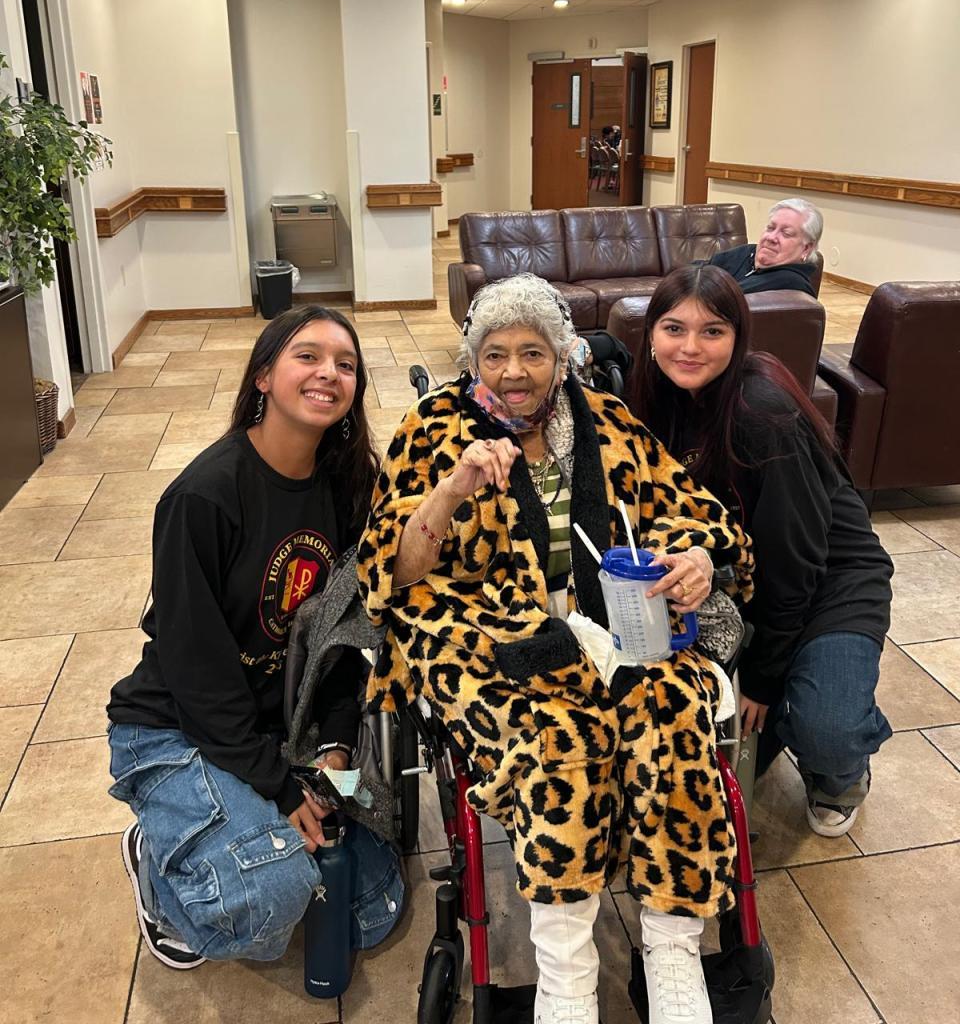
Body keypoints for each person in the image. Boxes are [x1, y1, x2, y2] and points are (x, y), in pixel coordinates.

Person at [358, 273, 753, 1024]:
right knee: (561, 731)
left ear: (563, 356)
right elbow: (394, 569)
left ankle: (672, 950)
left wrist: (696, 557)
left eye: (532, 352)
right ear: (474, 360)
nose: (513, 371)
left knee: (672, 706)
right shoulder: (432, 426)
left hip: (610, 625)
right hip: (482, 635)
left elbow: (694, 510)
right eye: (495, 354)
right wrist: (453, 488)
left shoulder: (606, 420)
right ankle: (567, 975)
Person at [107, 306, 379, 969]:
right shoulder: (203, 497)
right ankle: (156, 866)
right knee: (270, 891)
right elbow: (196, 670)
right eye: (307, 356)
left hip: (279, 724)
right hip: (175, 727)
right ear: (263, 376)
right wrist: (279, 787)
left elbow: (341, 636)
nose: (329, 373)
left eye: (345, 365)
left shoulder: (347, 489)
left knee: (373, 895)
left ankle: (238, 826)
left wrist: (337, 742)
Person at [631, 264, 893, 839]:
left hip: (829, 582)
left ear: (738, 337)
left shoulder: (761, 410)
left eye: (712, 331)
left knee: (824, 728)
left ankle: (842, 771)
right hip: (745, 578)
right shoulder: (655, 396)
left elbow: (795, 560)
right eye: (674, 329)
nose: (690, 347)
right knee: (720, 742)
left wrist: (764, 678)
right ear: (650, 334)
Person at [708, 197, 822, 296]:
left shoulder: (790, 282)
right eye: (770, 228)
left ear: (806, 248)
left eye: (786, 233)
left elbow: (719, 299)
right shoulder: (747, 252)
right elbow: (704, 268)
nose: (771, 237)